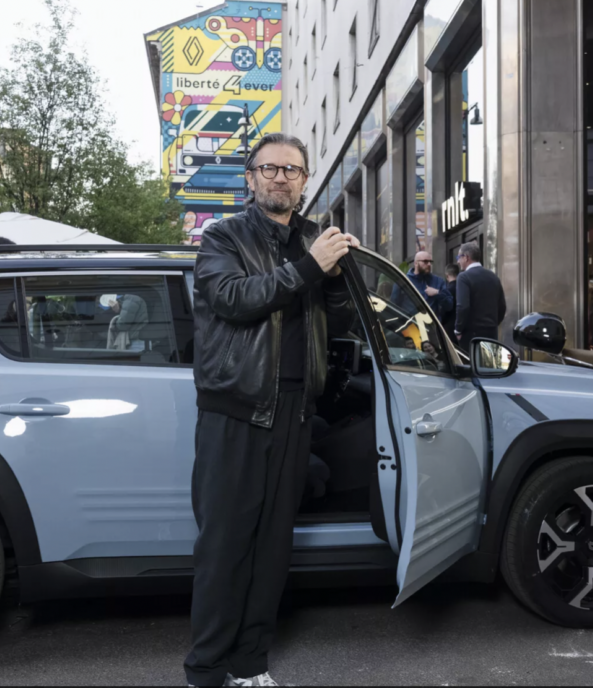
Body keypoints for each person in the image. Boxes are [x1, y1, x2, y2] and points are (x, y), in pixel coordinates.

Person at [187, 132, 357, 688]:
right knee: (225, 547)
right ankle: (205, 671)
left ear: (305, 181)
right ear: (250, 177)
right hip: (235, 409)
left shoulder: (313, 239)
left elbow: (336, 322)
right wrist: (311, 267)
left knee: (272, 547)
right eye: (270, 168)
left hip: (294, 410)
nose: (281, 177)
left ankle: (249, 665)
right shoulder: (223, 237)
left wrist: (337, 279)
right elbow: (233, 299)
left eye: (292, 170)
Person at [454, 242, 506, 349]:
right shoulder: (493, 277)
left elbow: (463, 306)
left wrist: (458, 329)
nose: (458, 261)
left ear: (466, 257)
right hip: (491, 334)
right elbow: (502, 306)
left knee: (470, 360)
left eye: (459, 257)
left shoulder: (463, 277)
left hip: (471, 335)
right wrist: (493, 324)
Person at [391, 251, 452, 320]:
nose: (429, 264)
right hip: (411, 324)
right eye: (425, 262)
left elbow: (449, 305)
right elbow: (394, 306)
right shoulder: (403, 281)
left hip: (432, 325)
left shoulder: (438, 281)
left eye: (430, 262)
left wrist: (437, 293)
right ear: (416, 263)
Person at [442, 263, 460, 341]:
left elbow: (444, 311)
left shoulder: (447, 291)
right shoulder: (463, 288)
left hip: (449, 328)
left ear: (447, 275)